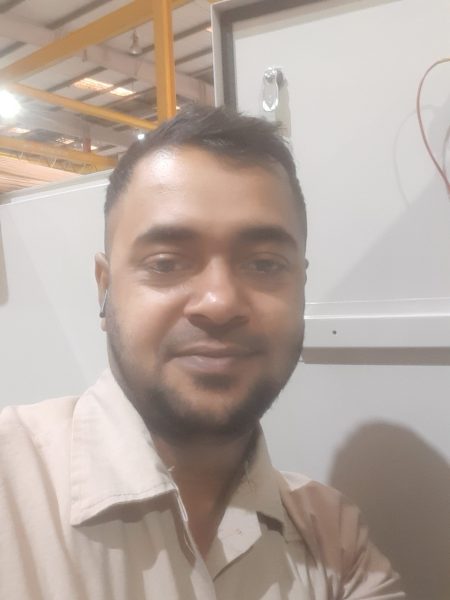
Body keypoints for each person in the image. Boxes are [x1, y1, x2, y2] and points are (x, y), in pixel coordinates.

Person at [0, 105, 405, 599]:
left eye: (264, 264)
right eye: (166, 263)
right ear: (105, 289)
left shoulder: (334, 540)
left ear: (301, 287)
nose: (219, 303)